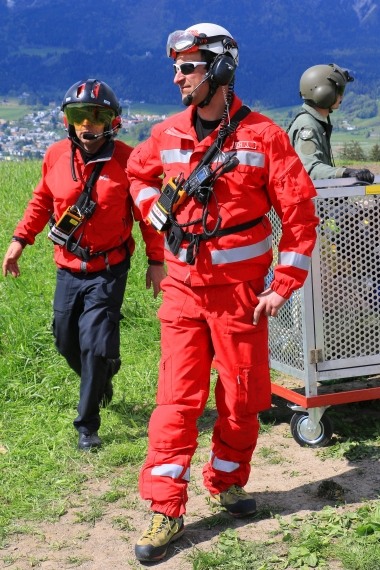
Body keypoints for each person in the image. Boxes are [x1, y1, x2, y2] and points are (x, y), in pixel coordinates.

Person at [127, 23, 319, 563]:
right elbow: (136, 175)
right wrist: (152, 213)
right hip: (184, 296)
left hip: (240, 299)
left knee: (242, 399)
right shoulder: (165, 137)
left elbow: (300, 216)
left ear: (220, 69)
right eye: (176, 66)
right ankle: (166, 508)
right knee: (176, 402)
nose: (177, 76)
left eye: (188, 66)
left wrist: (283, 285)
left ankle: (228, 482)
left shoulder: (264, 138)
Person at [2, 78, 165, 451]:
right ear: (67, 121)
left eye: (96, 116)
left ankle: (87, 425)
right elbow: (42, 201)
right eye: (79, 117)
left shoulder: (129, 160)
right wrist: (19, 241)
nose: (87, 125)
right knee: (64, 339)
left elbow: (148, 216)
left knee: (93, 344)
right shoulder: (56, 156)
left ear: (113, 121)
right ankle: (103, 375)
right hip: (68, 266)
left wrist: (156, 261)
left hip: (109, 269)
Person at [287, 63, 374, 183]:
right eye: (339, 91)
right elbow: (310, 168)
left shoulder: (316, 121)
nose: (341, 96)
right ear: (324, 92)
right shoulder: (308, 125)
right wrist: (344, 172)